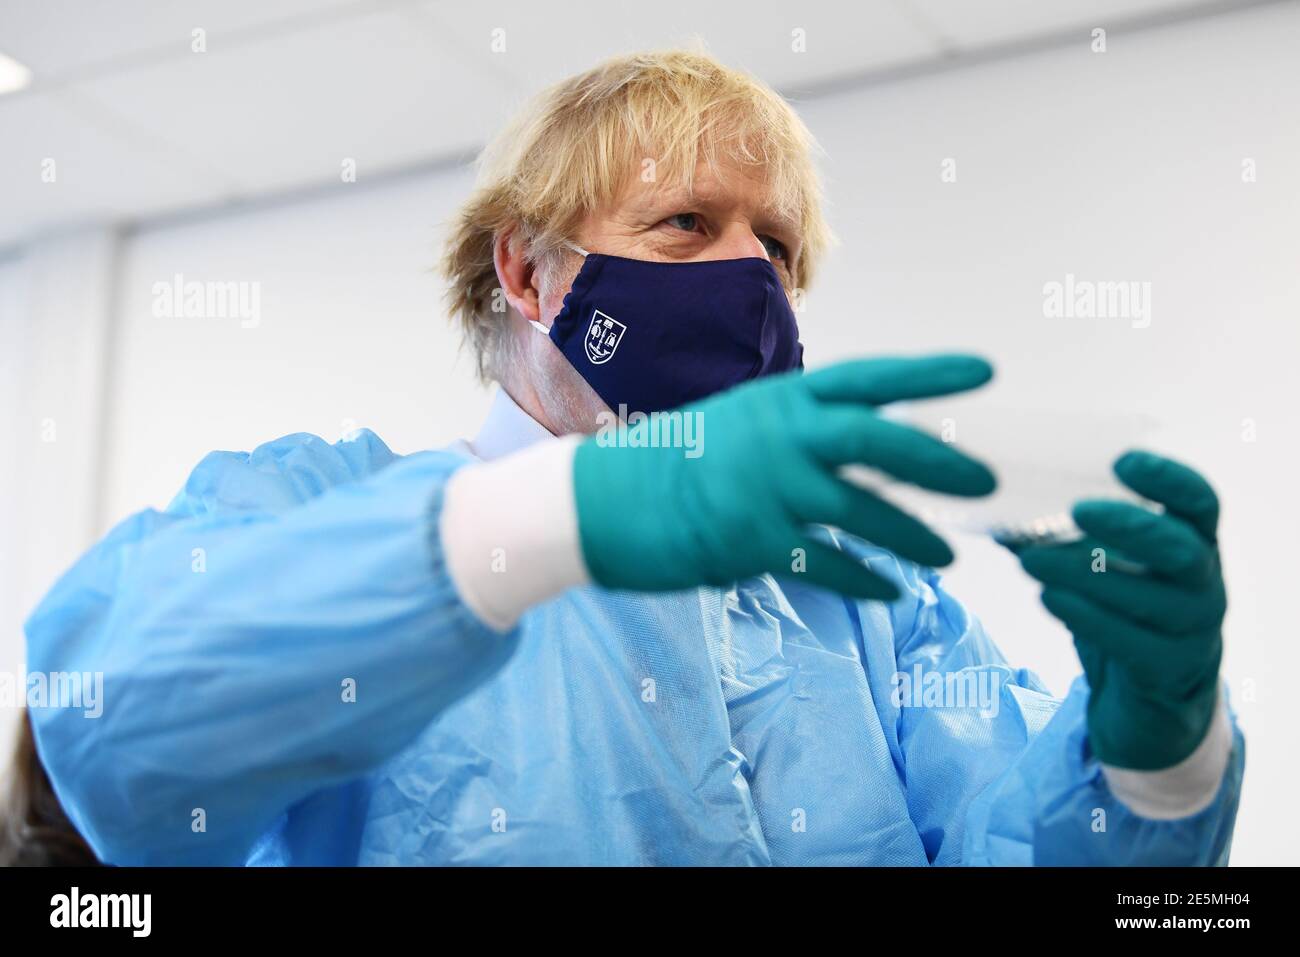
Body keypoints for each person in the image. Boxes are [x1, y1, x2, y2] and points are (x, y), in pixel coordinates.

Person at [21, 50, 1241, 866]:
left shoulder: (862, 598)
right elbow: (115, 742)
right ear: (526, 271)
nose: (749, 273)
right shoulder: (320, 503)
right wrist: (547, 523)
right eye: (684, 224)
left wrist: (1159, 755)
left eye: (776, 248)